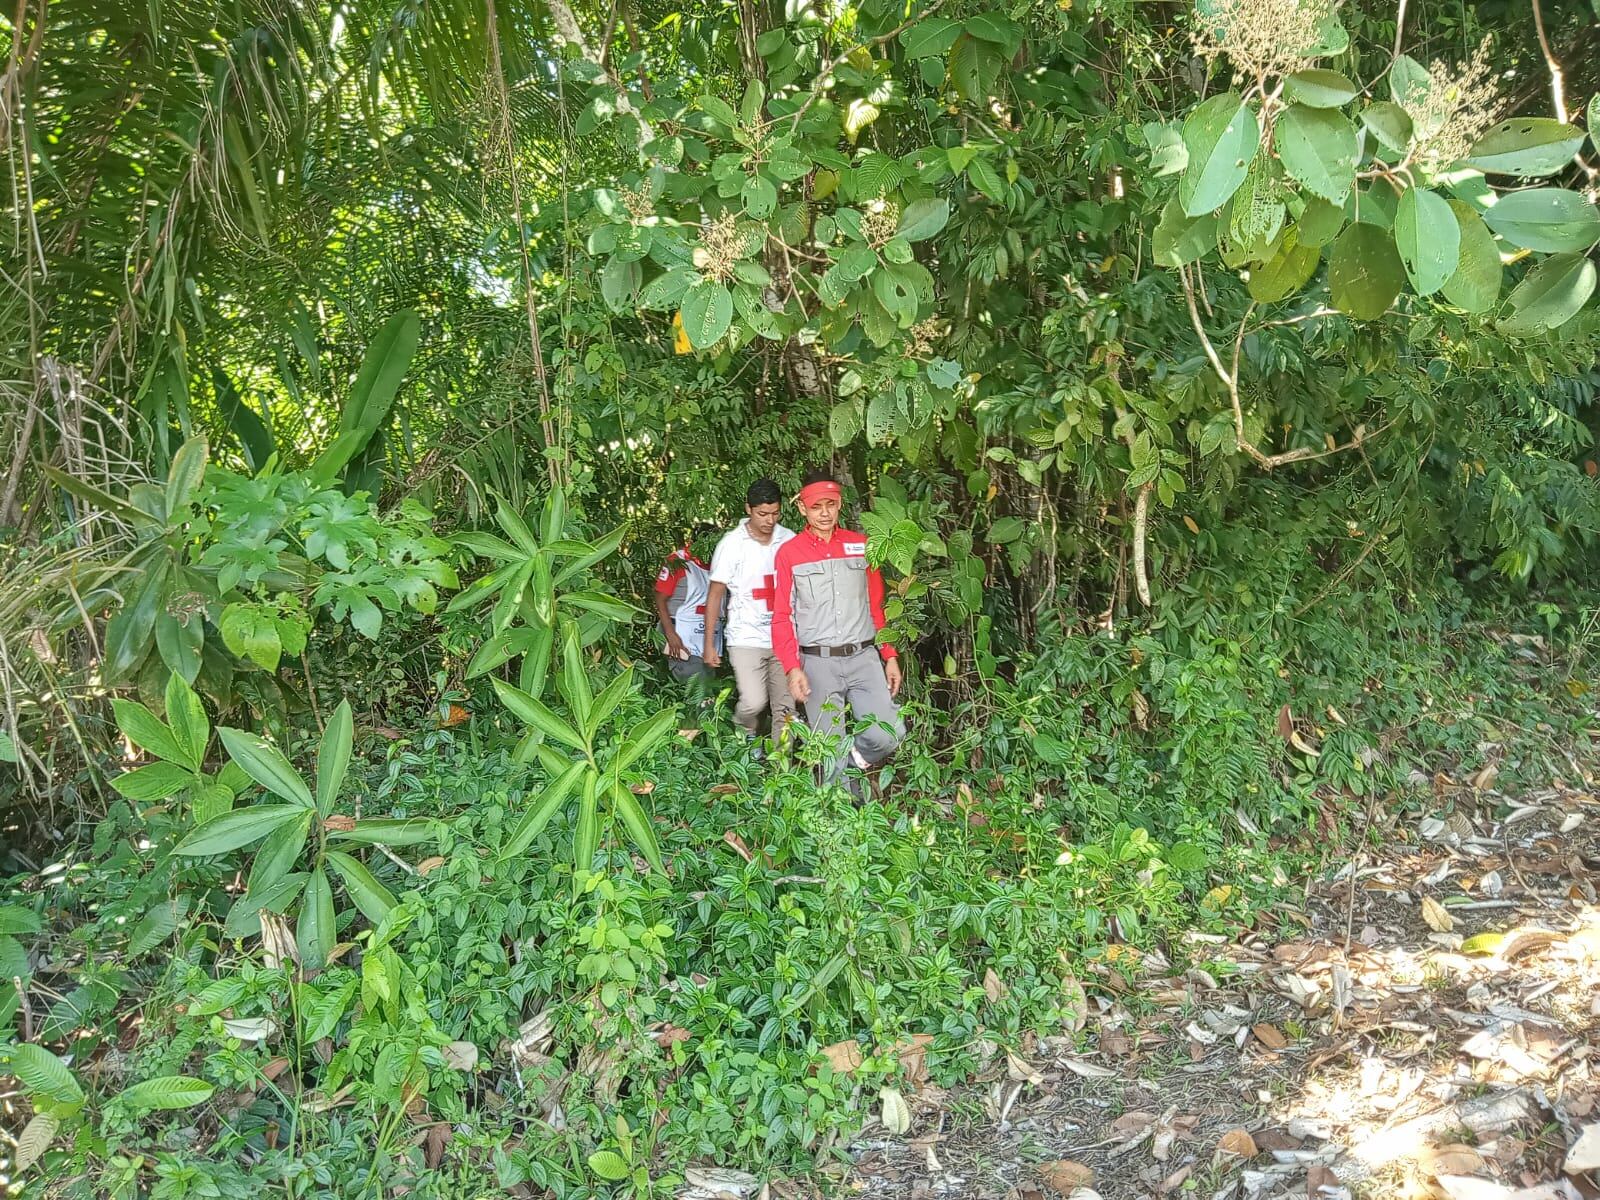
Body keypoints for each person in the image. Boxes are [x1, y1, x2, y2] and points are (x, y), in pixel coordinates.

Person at [771, 470, 904, 792]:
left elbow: (877, 606)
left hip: (864, 658)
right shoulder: (789, 553)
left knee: (888, 733)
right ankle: (845, 824)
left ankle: (856, 757)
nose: (825, 513)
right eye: (817, 506)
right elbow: (781, 616)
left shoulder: (861, 546)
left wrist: (889, 655)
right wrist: (792, 668)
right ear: (803, 509)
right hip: (818, 664)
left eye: (831, 505)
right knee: (830, 750)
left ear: (840, 504)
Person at [703, 479, 797, 745]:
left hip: (784, 636)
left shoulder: (788, 539)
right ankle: (745, 740)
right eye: (762, 514)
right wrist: (710, 644)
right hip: (745, 638)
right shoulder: (731, 544)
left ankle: (782, 768)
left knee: (786, 707)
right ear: (748, 509)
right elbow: (715, 595)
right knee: (754, 702)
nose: (769, 520)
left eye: (775, 513)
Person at [653, 525, 721, 693]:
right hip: (680, 636)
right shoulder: (678, 562)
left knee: (707, 687)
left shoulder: (719, 565)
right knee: (699, 689)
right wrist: (670, 634)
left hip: (706, 639)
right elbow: (659, 599)